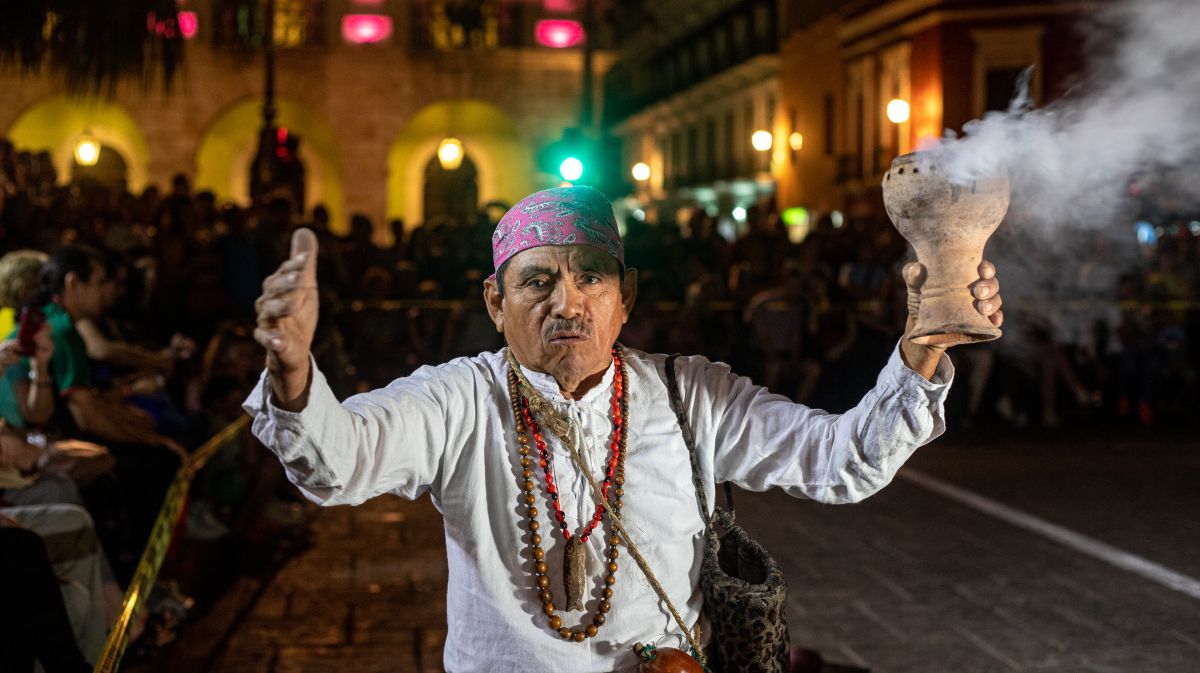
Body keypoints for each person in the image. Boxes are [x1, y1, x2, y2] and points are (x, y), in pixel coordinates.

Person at [245, 186, 1004, 673]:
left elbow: (842, 462)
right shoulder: (459, 401)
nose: (566, 301)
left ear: (625, 297)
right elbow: (337, 462)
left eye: (591, 276)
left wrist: (923, 348)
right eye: (536, 279)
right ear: (493, 302)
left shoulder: (690, 394)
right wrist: (294, 372)